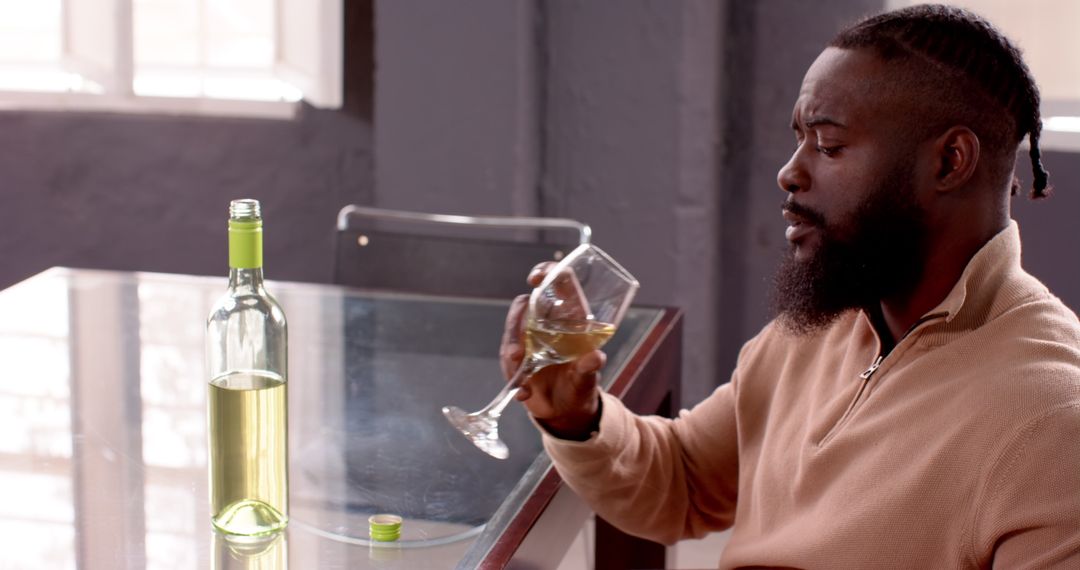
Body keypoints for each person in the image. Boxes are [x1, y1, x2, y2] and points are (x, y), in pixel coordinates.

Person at [499, 4, 1080, 568]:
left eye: (828, 146)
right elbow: (684, 483)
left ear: (950, 161)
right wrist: (577, 416)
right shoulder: (821, 324)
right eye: (799, 139)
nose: (790, 172)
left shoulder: (1052, 420)